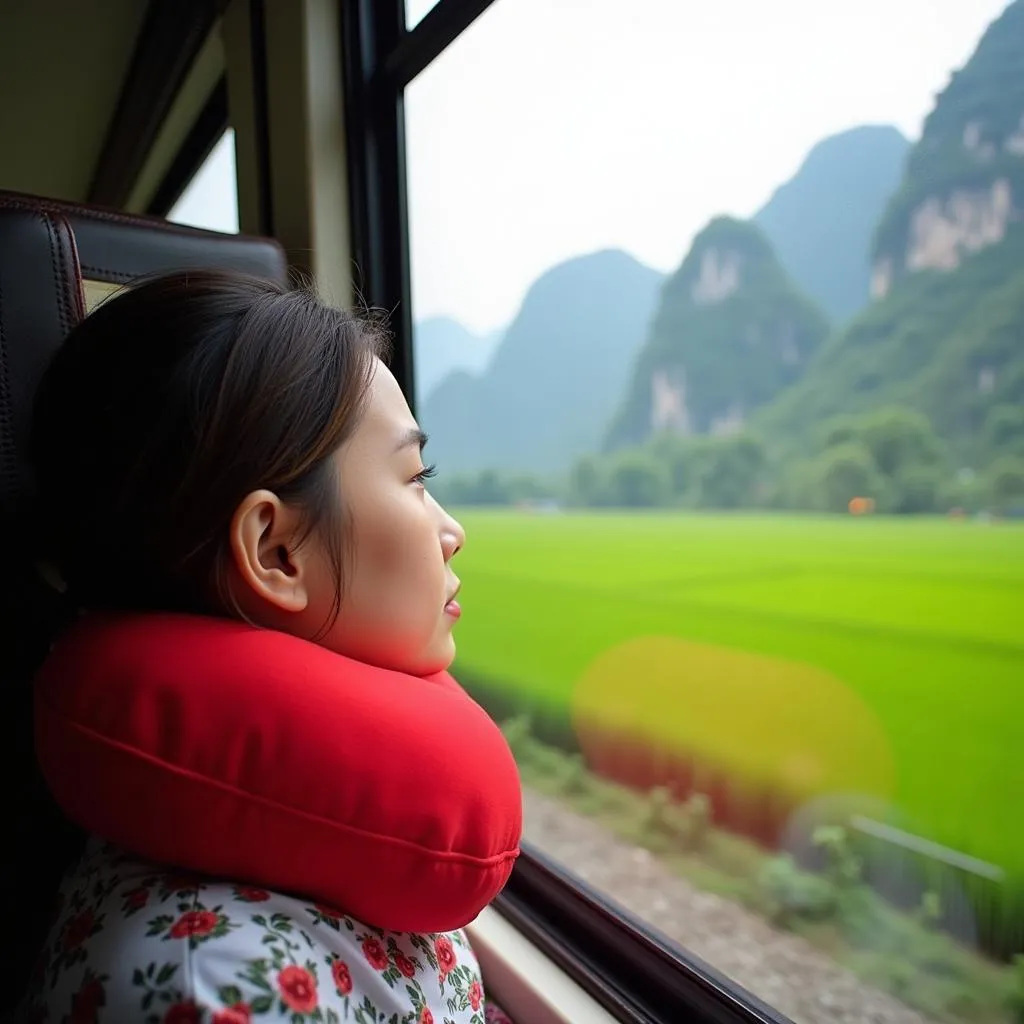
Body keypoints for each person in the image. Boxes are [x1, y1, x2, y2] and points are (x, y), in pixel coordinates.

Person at [17, 269, 520, 1024]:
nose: (453, 531)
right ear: (277, 551)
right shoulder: (216, 985)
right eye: (418, 477)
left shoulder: (286, 839)